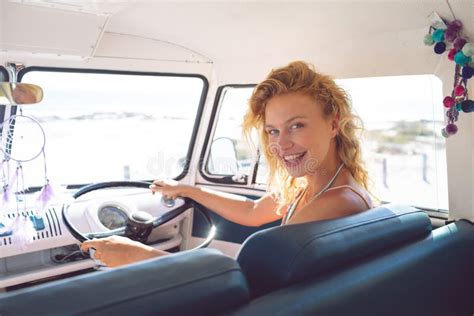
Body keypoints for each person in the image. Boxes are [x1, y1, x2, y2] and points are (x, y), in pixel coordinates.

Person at [81, 61, 373, 267]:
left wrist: (137, 256)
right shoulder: (314, 185)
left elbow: (245, 278)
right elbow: (253, 210)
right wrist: (187, 190)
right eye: (273, 130)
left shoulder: (336, 201)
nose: (281, 144)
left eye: (296, 126)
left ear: (334, 124)